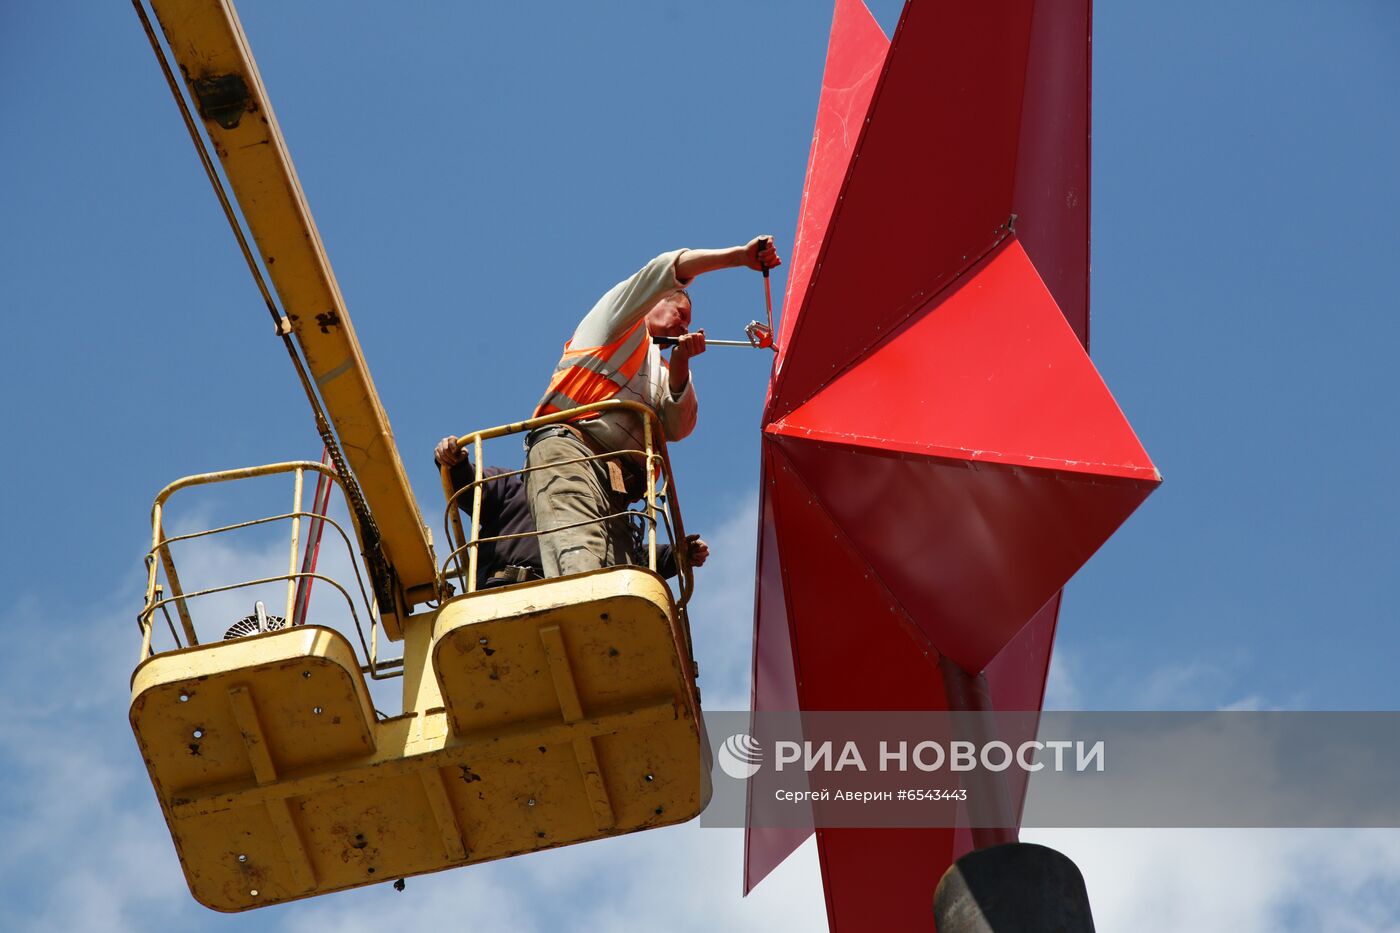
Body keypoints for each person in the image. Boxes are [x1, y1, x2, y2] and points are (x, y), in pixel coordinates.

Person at [519, 238, 780, 578]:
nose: (684, 326)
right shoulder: (617, 320)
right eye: (680, 314)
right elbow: (669, 266)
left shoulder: (662, 368)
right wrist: (739, 257)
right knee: (580, 571)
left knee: (613, 584)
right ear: (657, 300)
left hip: (619, 493)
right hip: (573, 456)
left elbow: (678, 428)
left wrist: (682, 365)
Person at [433, 446, 710, 589]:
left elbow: (639, 558)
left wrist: (678, 555)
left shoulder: (608, 520)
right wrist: (455, 463)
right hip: (506, 591)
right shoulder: (512, 486)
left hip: (580, 599)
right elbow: (471, 490)